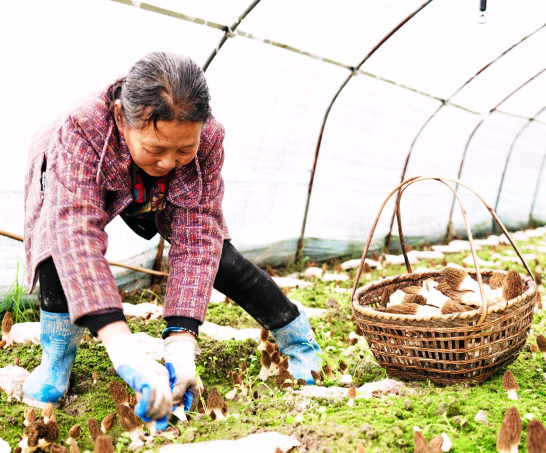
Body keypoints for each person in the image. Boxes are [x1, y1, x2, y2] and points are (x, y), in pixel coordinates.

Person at [21, 51, 321, 428]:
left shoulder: (209, 140)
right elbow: (75, 235)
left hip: (158, 191)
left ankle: (297, 336)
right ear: (120, 118)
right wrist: (123, 348)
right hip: (77, 174)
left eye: (184, 149)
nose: (168, 162)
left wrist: (181, 348)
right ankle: (57, 357)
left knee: (219, 259)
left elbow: (197, 240)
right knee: (56, 252)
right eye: (156, 148)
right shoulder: (82, 130)